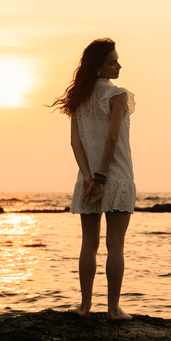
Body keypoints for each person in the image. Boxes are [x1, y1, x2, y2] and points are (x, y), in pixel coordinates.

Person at [50, 38, 136, 321]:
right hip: (116, 177)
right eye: (112, 61)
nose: (118, 65)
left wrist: (88, 178)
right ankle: (113, 310)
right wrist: (100, 178)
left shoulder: (80, 98)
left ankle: (85, 306)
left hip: (87, 180)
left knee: (89, 244)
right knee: (115, 245)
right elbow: (112, 138)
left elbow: (75, 143)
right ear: (98, 67)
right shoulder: (118, 96)